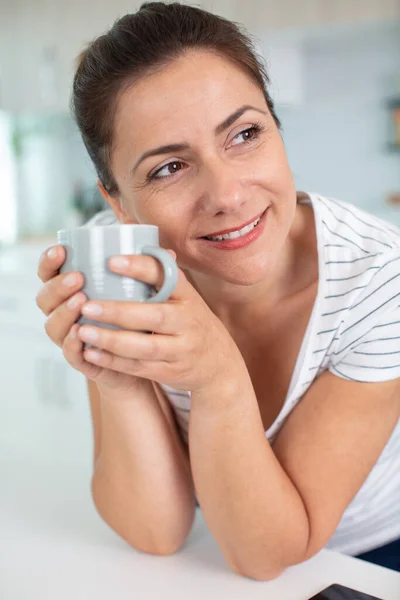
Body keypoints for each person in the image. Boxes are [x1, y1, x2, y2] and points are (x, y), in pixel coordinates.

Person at [36, 2, 400, 580]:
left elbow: (269, 555)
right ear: (118, 205)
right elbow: (155, 533)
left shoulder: (380, 280)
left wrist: (217, 377)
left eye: (245, 134)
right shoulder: (118, 260)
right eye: (167, 169)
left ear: (278, 128)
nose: (227, 194)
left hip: (365, 559)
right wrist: (120, 379)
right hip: (218, 540)